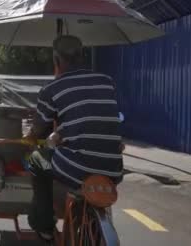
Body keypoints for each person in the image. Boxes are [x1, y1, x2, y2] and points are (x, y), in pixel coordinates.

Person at [27, 35, 123, 241]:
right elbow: (90, 116)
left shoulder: (52, 89)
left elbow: (38, 128)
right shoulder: (106, 82)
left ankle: (43, 225)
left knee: (35, 159)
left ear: (56, 59)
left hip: (77, 169)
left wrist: (30, 137)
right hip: (113, 169)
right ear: (82, 56)